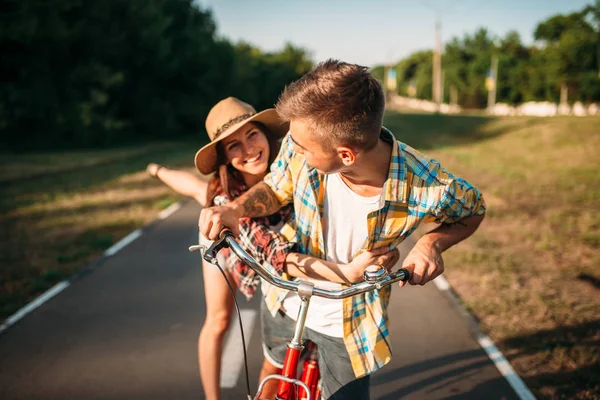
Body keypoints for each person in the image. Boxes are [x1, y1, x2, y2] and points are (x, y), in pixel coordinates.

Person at [198, 61, 487, 400]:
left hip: (350, 324)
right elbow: (276, 187)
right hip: (285, 299)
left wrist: (431, 243)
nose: (293, 150)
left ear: (345, 155)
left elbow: (473, 210)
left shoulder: (424, 185)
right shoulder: (300, 140)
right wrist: (234, 208)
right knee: (272, 375)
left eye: (303, 149)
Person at [149, 96, 399, 400]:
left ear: (266, 134)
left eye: (252, 135)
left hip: (290, 254)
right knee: (219, 320)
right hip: (230, 241)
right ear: (225, 157)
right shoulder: (223, 199)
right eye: (233, 145)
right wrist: (159, 171)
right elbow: (270, 251)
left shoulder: (295, 163)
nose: (249, 150)